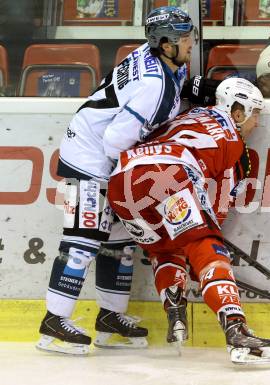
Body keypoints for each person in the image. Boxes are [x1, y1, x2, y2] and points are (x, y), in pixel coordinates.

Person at [36, 6, 215, 355]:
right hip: (88, 160)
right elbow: (115, 141)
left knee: (119, 241)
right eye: (184, 38)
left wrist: (201, 87)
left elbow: (171, 88)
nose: (191, 42)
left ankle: (109, 318)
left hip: (106, 162)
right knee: (83, 239)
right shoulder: (153, 84)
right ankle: (53, 322)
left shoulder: (155, 57)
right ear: (165, 44)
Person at [107, 78, 270, 365]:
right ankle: (237, 331)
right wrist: (207, 242)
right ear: (238, 113)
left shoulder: (190, 115)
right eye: (255, 114)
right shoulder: (232, 139)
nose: (257, 123)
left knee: (164, 248)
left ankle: (175, 312)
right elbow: (215, 212)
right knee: (206, 245)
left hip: (122, 181)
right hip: (167, 174)